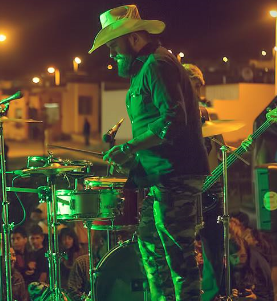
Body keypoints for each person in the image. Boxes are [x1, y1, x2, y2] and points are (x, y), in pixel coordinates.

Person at [92, 5, 210, 300]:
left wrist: (131, 146)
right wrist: (132, 156)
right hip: (160, 176)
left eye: (113, 45)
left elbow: (173, 118)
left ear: (132, 38)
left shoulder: (158, 64)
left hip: (175, 176)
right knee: (152, 247)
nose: (110, 53)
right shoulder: (147, 67)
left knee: (179, 258)